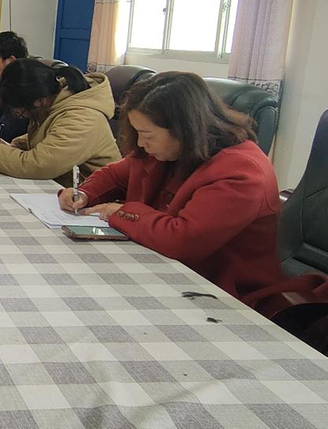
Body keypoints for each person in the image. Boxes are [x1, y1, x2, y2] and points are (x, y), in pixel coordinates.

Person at [59, 72, 283, 303]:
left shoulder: (241, 172)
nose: (140, 143)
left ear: (183, 128)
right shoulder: (170, 150)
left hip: (218, 292)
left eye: (146, 135)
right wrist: (85, 193)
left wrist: (121, 211)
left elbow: (182, 240)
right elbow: (115, 174)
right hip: (160, 270)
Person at [0, 58, 119, 185]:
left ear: (40, 101)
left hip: (91, 197)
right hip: (66, 188)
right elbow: (52, 136)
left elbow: (41, 165)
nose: (21, 116)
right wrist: (16, 145)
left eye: (20, 112)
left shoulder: (82, 118)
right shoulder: (53, 100)